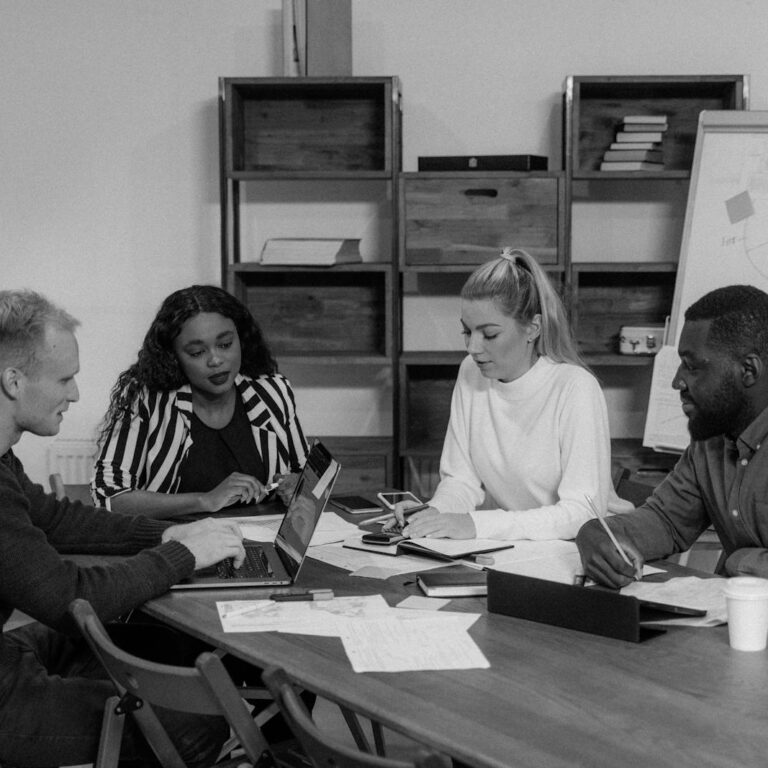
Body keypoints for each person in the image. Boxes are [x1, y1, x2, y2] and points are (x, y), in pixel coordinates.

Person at [0, 289, 247, 767]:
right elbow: (67, 598)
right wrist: (184, 556)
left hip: (9, 657)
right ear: (13, 381)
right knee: (199, 724)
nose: (74, 394)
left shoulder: (2, 459)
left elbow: (54, 518)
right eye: (65, 379)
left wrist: (163, 536)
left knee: (158, 644)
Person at [390, 247, 630, 542]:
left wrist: (476, 525)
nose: (473, 348)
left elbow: (582, 513)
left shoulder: (575, 387)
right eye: (467, 332)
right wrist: (433, 514)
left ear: (533, 328)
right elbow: (461, 482)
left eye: (489, 335)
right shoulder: (471, 371)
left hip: (594, 547)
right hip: (526, 550)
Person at [576, 284, 768, 587]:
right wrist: (599, 534)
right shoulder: (710, 441)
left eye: (692, 366)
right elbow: (666, 521)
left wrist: (737, 561)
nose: (678, 381)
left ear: (748, 370)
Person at [92, 285, 309, 518]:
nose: (216, 360)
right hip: (175, 544)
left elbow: (303, 475)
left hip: (258, 540)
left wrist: (294, 486)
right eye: (197, 352)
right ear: (173, 357)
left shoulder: (272, 391)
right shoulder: (146, 400)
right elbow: (109, 498)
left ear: (241, 340)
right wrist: (205, 500)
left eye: (225, 344)